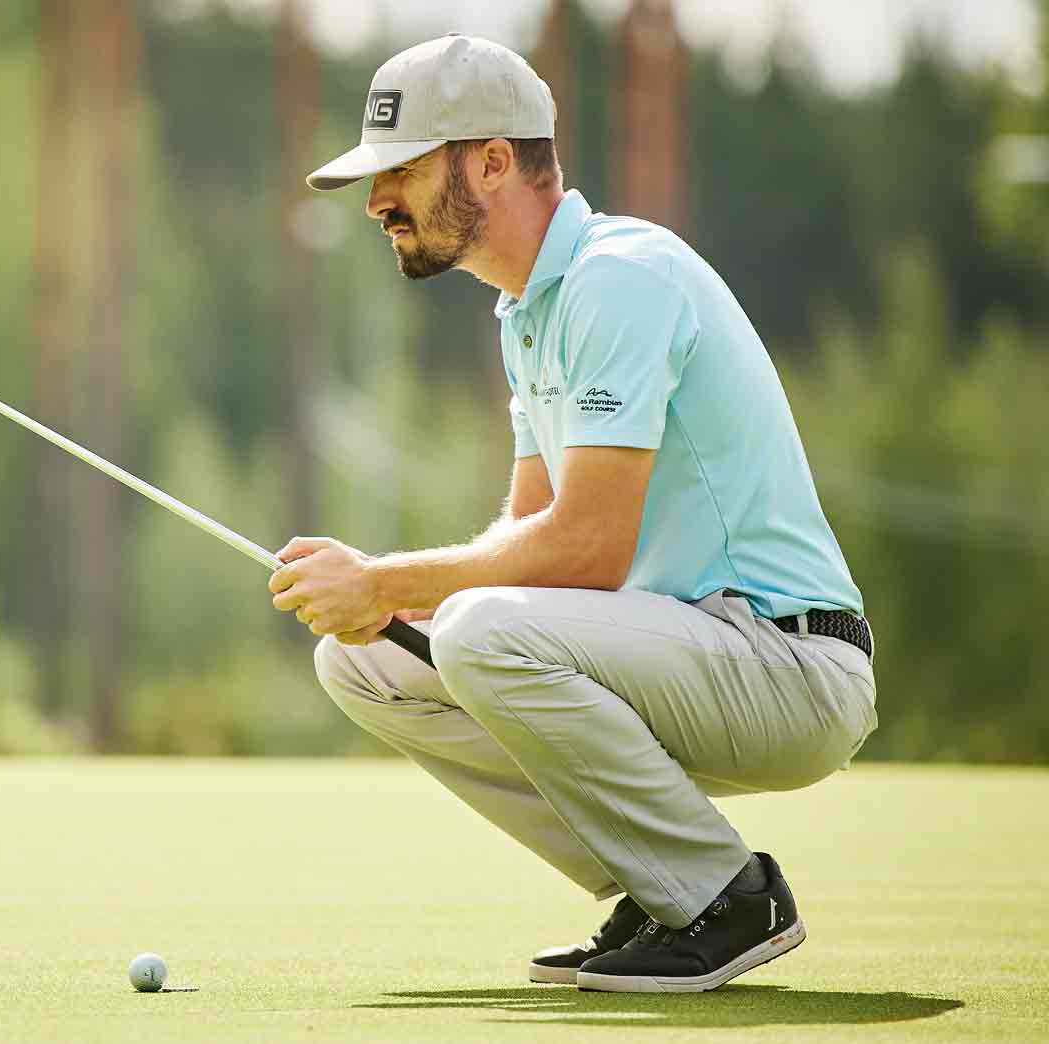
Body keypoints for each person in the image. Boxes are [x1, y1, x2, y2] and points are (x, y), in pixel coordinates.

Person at [274, 33, 877, 993]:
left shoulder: (618, 276)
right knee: (364, 661)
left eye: (401, 172)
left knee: (471, 628)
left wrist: (384, 578)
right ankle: (662, 883)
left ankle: (725, 894)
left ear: (494, 160)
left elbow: (589, 552)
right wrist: (380, 604)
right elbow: (526, 547)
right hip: (682, 655)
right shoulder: (529, 311)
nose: (377, 202)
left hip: (789, 662)